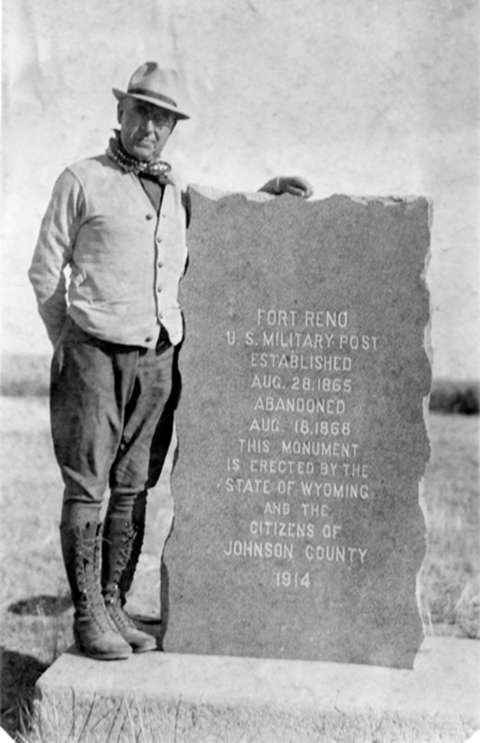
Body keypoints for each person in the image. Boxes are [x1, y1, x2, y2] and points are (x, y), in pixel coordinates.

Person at [28, 61, 313, 661]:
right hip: (94, 356)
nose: (150, 127)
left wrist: (265, 194)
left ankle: (114, 602)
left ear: (173, 128)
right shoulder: (80, 180)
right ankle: (87, 617)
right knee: (88, 486)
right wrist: (73, 342)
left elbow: (217, 220)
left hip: (159, 357)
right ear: (120, 113)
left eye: (163, 118)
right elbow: (43, 270)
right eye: (141, 112)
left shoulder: (175, 189)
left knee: (135, 484)